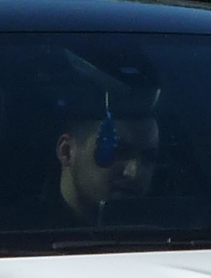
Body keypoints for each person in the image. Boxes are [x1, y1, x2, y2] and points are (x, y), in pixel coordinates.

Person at [55, 95, 160, 223]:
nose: (134, 173)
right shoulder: (28, 236)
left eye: (149, 158)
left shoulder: (169, 234)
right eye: (117, 152)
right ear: (66, 152)